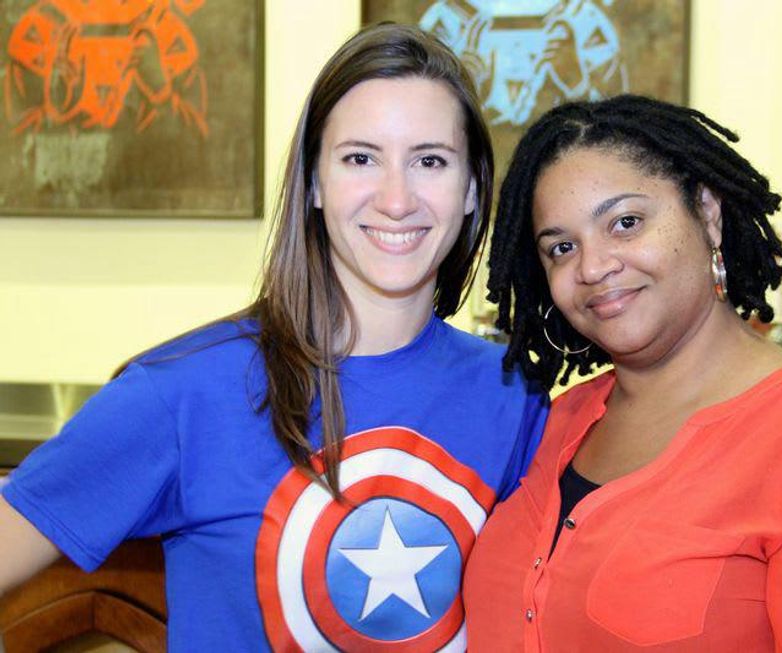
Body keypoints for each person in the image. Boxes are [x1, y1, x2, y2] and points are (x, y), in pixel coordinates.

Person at [0, 24, 547, 652]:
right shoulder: (182, 393)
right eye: (360, 158)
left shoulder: (515, 396)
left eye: (429, 161)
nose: (397, 198)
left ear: (473, 188)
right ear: (314, 181)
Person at [462, 95, 782, 651]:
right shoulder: (554, 425)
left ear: (707, 214)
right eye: (562, 247)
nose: (592, 267)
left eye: (626, 222)